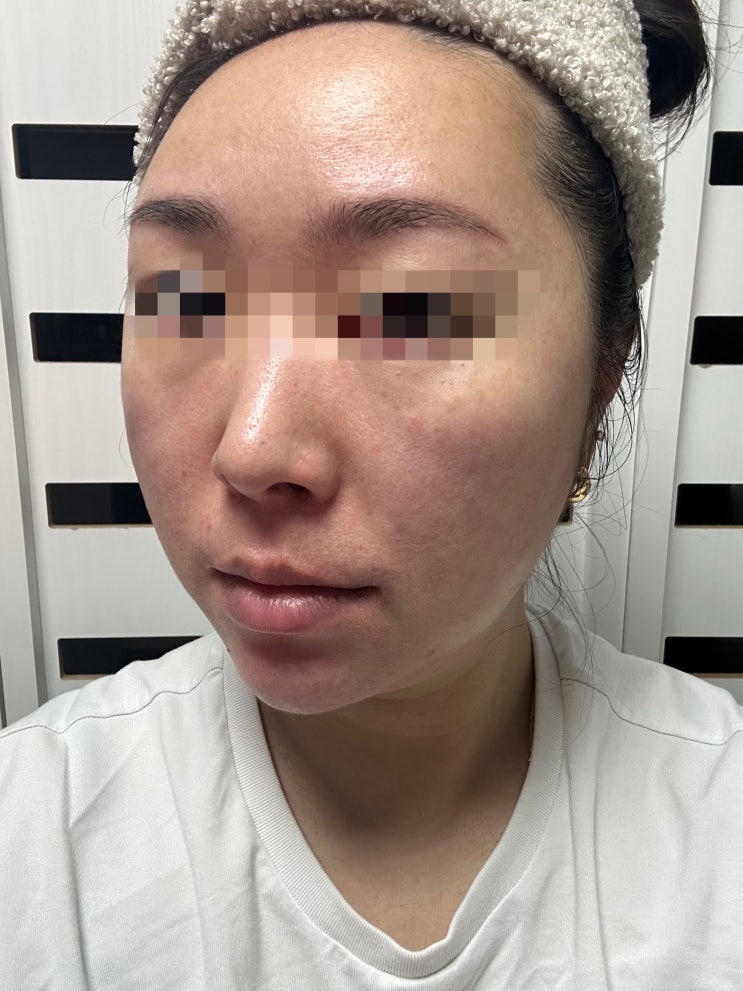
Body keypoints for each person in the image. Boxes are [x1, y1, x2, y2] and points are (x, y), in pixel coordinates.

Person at [1, 0, 741, 987]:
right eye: (186, 299)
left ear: (601, 374)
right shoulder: (35, 841)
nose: (254, 448)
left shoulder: (716, 838)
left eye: (411, 308)